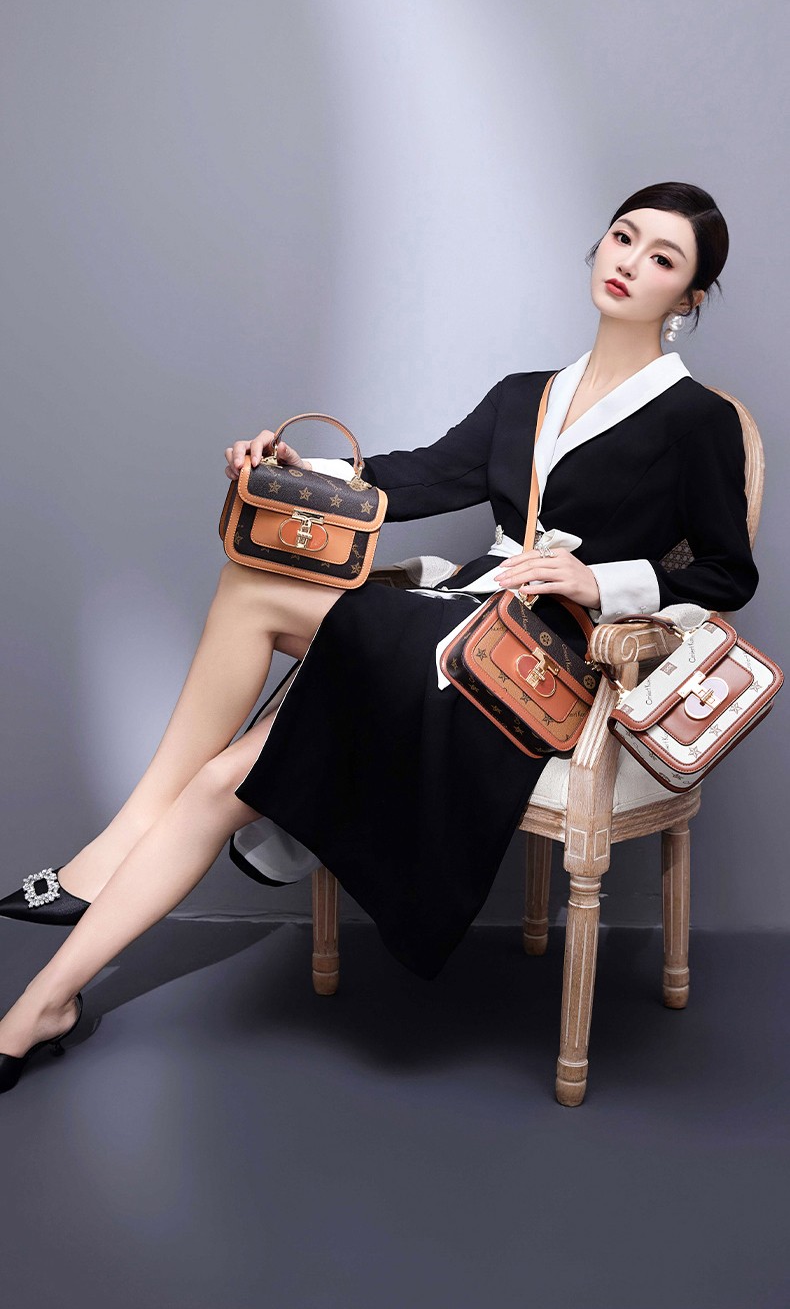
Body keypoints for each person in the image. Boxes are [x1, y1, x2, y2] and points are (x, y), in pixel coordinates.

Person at [0, 181, 759, 1093]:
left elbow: (728, 572)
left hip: (533, 669)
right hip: (451, 629)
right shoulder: (525, 396)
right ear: (599, 245)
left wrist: (598, 581)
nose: (630, 262)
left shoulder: (698, 420)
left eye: (662, 258)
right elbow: (415, 478)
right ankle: (44, 999)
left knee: (306, 641)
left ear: (689, 298)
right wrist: (298, 472)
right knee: (234, 705)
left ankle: (111, 869)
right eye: (624, 237)